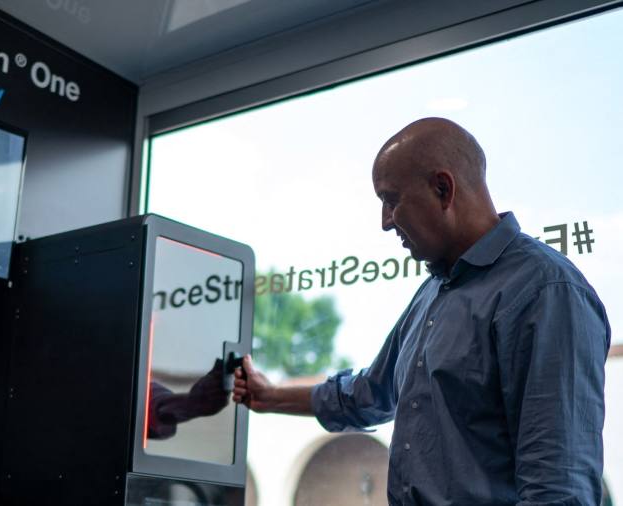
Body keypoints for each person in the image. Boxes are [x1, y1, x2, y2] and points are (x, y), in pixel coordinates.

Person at [233, 117, 611, 505]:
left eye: (391, 201)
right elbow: (370, 394)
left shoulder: (546, 291)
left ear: (443, 189)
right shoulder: (433, 293)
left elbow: (558, 488)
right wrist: (270, 396)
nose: (385, 222)